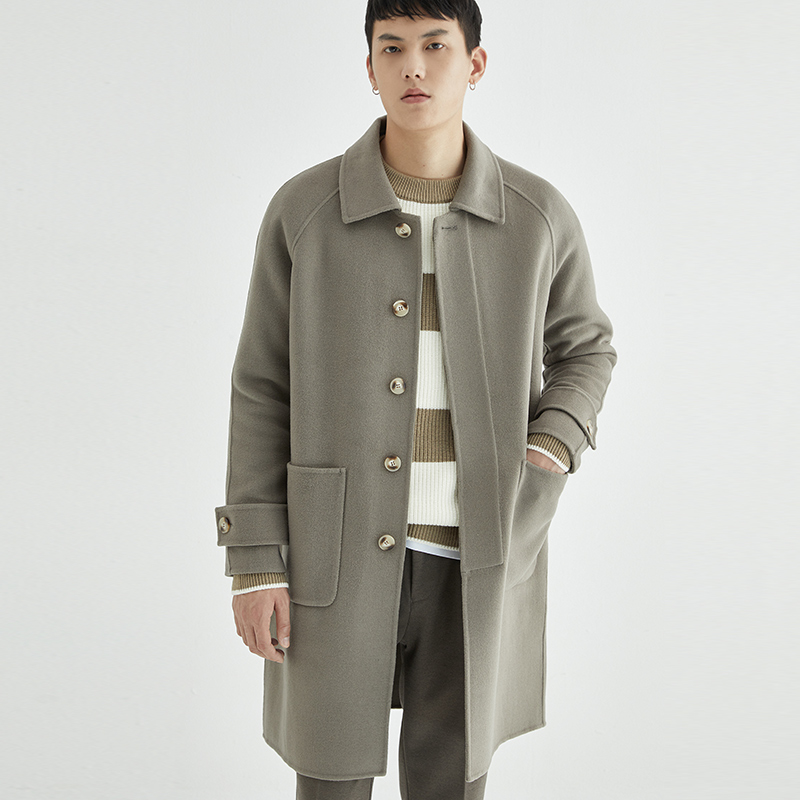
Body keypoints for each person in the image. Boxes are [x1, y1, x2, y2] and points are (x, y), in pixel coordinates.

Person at [214, 1, 617, 798]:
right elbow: (261, 385)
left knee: (450, 783)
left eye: (436, 45)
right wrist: (255, 562)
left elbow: (587, 349)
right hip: (334, 556)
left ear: (475, 64)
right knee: (330, 777)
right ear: (369, 67)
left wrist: (550, 449)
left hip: (476, 557)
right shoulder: (305, 211)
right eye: (391, 48)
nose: (414, 67)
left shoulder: (537, 216)